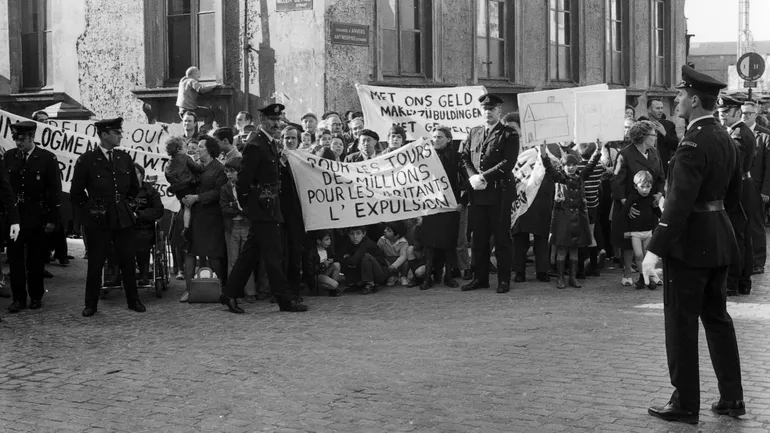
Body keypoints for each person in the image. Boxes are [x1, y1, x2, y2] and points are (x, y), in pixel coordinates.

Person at [643, 65, 745, 425]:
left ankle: (685, 403)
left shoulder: (690, 145)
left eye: (682, 95)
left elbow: (679, 205)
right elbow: (733, 197)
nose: (677, 100)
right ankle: (732, 397)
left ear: (696, 101)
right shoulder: (725, 139)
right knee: (718, 320)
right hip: (718, 240)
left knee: (681, 325)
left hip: (689, 247)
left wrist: (654, 249)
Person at [219, 103, 308, 313]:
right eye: (272, 120)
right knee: (273, 255)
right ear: (262, 121)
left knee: (251, 254)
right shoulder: (255, 145)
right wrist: (249, 207)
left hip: (270, 207)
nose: (276, 124)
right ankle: (285, 300)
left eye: (278, 120)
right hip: (262, 209)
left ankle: (229, 294)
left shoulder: (270, 144)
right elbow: (243, 181)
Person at [70, 118, 145, 316]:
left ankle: (133, 300)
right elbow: (76, 192)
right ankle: (91, 304)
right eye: (117, 132)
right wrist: (91, 209)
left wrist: (123, 203)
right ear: (104, 135)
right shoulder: (86, 160)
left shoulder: (124, 158)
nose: (121, 135)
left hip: (122, 216)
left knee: (128, 260)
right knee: (96, 262)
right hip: (98, 218)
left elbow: (134, 188)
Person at [460, 93, 518, 294]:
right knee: (479, 239)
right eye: (484, 109)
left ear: (499, 111)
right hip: (478, 194)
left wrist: (483, 177)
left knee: (502, 239)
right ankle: (480, 278)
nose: (487, 113)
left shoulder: (509, 134)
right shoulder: (474, 132)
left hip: (499, 193)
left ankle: (504, 280)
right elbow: (465, 157)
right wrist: (472, 177)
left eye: (491, 109)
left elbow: (508, 163)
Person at [540, 142, 602, 289]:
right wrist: (543, 153)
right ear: (563, 166)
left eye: (573, 165)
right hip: (563, 220)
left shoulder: (581, 177)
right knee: (562, 250)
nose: (571, 167)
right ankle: (560, 278)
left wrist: (598, 150)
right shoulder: (559, 178)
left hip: (578, 219)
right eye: (568, 165)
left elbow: (591, 165)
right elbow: (548, 167)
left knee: (575, 251)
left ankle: (572, 278)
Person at [611, 120, 665, 286]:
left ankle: (648, 272)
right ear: (643, 137)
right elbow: (616, 181)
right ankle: (627, 271)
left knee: (649, 239)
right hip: (630, 203)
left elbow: (661, 176)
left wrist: (659, 193)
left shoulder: (654, 152)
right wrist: (626, 204)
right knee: (629, 241)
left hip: (649, 203)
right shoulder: (625, 154)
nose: (655, 137)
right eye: (652, 135)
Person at [717, 94, 758, 296]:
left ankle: (733, 282)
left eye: (726, 112)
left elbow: (733, 168)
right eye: (719, 112)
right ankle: (742, 281)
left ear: (736, 112)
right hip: (743, 185)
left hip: (739, 188)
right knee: (742, 236)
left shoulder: (738, 134)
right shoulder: (738, 131)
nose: (722, 116)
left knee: (735, 236)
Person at [5, 120, 47, 312]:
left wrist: (52, 220)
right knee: (15, 261)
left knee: (36, 260)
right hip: (15, 217)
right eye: (15, 138)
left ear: (32, 137)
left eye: (22, 139)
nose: (18, 143)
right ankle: (18, 298)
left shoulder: (46, 158)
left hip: (36, 217)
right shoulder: (9, 157)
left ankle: (36, 296)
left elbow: (53, 191)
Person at [179, 136, 228, 302]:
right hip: (194, 216)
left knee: (213, 254)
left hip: (210, 217)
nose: (197, 149)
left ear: (209, 149)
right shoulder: (196, 167)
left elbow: (218, 192)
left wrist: (197, 198)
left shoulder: (219, 169)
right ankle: (189, 289)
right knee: (190, 251)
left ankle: (221, 289)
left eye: (200, 147)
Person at [420, 126, 465, 290]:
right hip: (431, 205)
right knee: (430, 242)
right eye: (434, 137)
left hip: (450, 206)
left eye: (440, 137)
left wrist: (463, 201)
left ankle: (449, 276)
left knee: (448, 242)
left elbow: (467, 180)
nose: (436, 139)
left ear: (448, 139)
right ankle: (428, 277)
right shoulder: (425, 157)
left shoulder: (457, 157)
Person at [220, 157, 257, 303]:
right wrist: (237, 207)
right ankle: (234, 292)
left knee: (247, 259)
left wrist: (234, 206)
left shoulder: (246, 187)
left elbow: (249, 206)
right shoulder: (225, 188)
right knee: (233, 261)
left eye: (232, 171)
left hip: (246, 225)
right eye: (227, 171)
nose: (229, 174)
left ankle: (250, 291)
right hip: (232, 227)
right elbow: (225, 209)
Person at [616, 170, 661, 290]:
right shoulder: (633, 197)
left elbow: (656, 211)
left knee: (647, 256)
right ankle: (642, 277)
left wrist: (664, 219)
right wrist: (625, 229)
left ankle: (648, 278)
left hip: (648, 232)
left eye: (648, 186)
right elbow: (624, 212)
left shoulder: (651, 198)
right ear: (636, 186)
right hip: (635, 232)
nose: (645, 190)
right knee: (639, 255)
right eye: (642, 187)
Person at [743, 101, 770, 273]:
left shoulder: (765, 135)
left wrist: (766, 191)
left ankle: (758, 261)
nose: (745, 116)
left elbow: (769, 166)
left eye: (749, 113)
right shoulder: (734, 132)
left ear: (756, 114)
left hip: (757, 187)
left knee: (756, 225)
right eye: (743, 113)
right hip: (739, 187)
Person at [131, 164, 164, 286]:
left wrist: (139, 214)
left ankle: (143, 273)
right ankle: (114, 272)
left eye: (137, 172)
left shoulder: (150, 191)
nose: (134, 175)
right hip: (125, 227)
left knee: (141, 240)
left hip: (144, 227)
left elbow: (158, 210)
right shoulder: (123, 190)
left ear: (142, 175)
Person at [164, 135, 202, 240]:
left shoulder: (168, 163)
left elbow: (168, 176)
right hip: (189, 186)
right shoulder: (185, 158)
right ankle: (187, 228)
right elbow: (197, 168)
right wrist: (200, 164)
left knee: (185, 207)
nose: (188, 149)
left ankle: (185, 227)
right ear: (179, 149)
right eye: (186, 147)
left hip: (178, 190)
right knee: (188, 207)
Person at [339, 226, 388, 294]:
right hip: (361, 271)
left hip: (379, 274)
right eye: (352, 234)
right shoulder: (348, 243)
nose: (355, 237)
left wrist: (347, 258)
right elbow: (337, 258)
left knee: (365, 257)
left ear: (364, 234)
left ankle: (370, 284)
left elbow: (354, 261)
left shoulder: (367, 243)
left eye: (358, 233)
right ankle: (357, 283)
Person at [638, 98, 679, 173]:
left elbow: (675, 145)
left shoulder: (669, 125)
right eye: (657, 108)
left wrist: (664, 133)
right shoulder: (641, 125)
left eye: (662, 108)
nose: (661, 110)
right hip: (643, 166)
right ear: (649, 110)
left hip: (663, 167)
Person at [304, 230, 342, 296]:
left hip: (326, 272)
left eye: (330, 239)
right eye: (326, 239)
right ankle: (321, 288)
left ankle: (332, 289)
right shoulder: (312, 252)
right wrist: (322, 265)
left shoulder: (328, 249)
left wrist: (331, 261)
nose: (329, 241)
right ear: (319, 241)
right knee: (335, 284)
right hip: (317, 275)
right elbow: (310, 270)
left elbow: (335, 258)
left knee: (337, 264)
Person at [376, 221, 410, 287]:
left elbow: (403, 256)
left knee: (407, 261)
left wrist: (394, 266)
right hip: (387, 261)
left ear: (396, 235)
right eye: (386, 228)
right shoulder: (381, 240)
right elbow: (378, 253)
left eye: (389, 230)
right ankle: (393, 277)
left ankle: (403, 276)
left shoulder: (403, 242)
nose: (385, 230)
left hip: (399, 262)